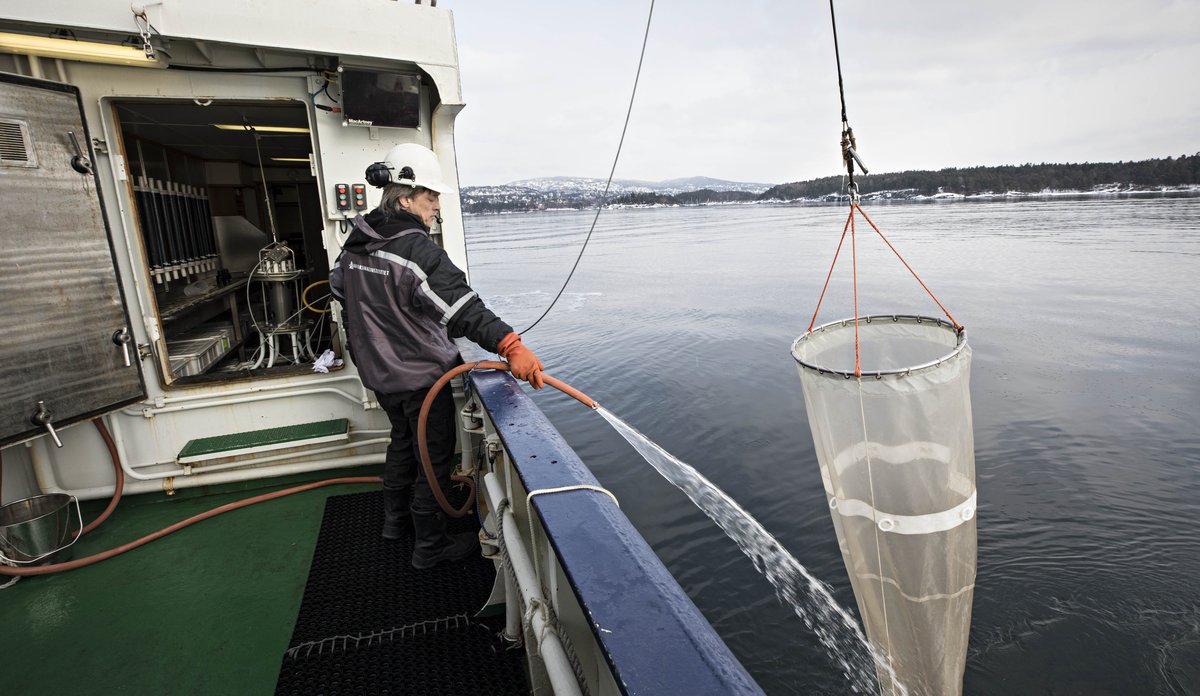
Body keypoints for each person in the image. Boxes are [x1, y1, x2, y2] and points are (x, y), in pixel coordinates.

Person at [330, 143, 544, 570]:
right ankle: (429, 547)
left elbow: (339, 290)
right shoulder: (416, 251)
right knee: (433, 458)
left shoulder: (356, 244)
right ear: (406, 198)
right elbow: (465, 310)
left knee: (403, 445)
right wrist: (510, 345)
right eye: (431, 197)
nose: (437, 207)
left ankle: (394, 524)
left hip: (378, 375)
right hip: (420, 379)